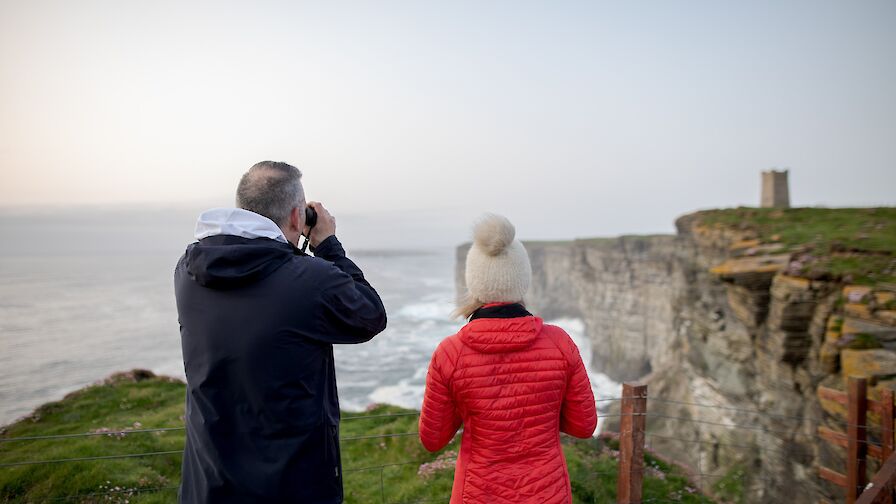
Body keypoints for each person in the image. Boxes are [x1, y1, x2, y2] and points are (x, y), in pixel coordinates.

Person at [174, 161, 387, 503]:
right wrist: (329, 245)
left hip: (209, 484)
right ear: (295, 216)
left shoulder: (188, 270)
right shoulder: (312, 279)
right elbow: (370, 315)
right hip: (291, 487)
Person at [418, 214, 597, 504]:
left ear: (474, 283)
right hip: (547, 492)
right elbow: (583, 426)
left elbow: (432, 439)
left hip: (477, 493)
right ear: (521, 280)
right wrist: (540, 412)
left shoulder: (450, 353)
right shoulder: (559, 343)